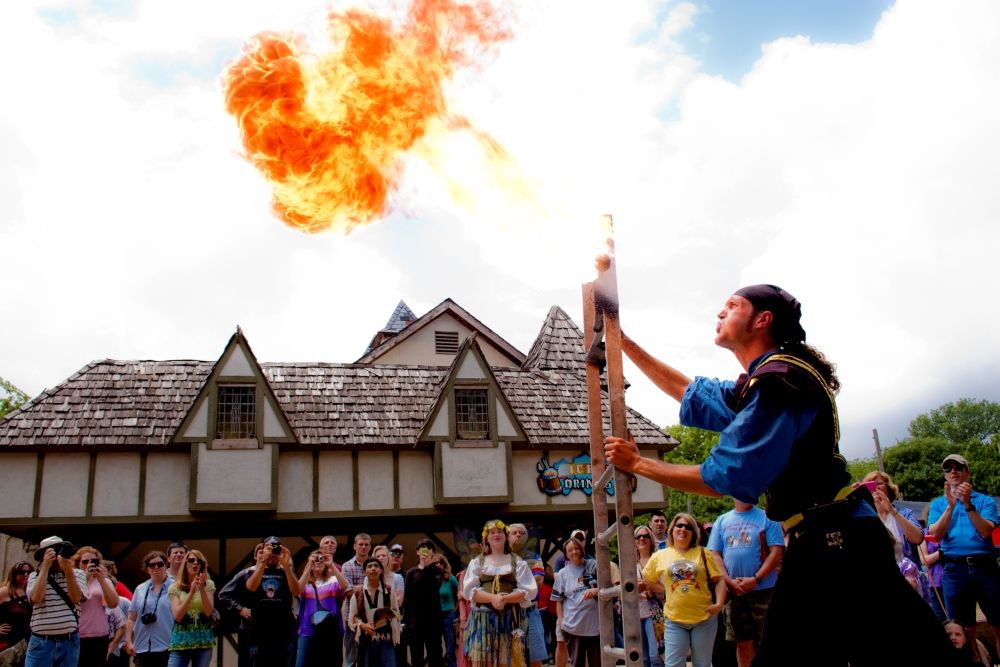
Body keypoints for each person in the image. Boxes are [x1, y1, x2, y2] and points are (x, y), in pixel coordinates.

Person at [603, 283, 958, 666]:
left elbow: (725, 475)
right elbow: (691, 392)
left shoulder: (780, 383)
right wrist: (623, 342)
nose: (720, 313)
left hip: (838, 541)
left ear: (763, 320)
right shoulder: (768, 380)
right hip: (829, 537)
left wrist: (639, 464)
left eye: (732, 306)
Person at [929, 454, 1000, 660]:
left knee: (998, 624)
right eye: (948, 468)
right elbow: (936, 534)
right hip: (954, 569)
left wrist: (968, 504)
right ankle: (974, 663)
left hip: (985, 567)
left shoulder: (984, 500)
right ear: (945, 475)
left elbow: (986, 531)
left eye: (958, 467)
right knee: (961, 629)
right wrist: (951, 506)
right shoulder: (938, 504)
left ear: (967, 472)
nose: (953, 471)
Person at [707, 500, 783, 667]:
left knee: (768, 642)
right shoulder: (722, 520)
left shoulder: (767, 517)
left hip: (765, 591)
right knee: (742, 642)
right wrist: (728, 581)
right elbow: (714, 554)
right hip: (734, 593)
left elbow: (776, 552)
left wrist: (756, 579)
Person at [642, 513, 724, 667]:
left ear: (694, 533)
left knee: (703, 664)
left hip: (704, 618)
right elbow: (647, 579)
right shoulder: (659, 556)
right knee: (673, 664)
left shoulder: (703, 553)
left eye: (688, 527)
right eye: (679, 525)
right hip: (675, 620)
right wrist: (665, 589)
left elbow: (718, 580)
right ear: (672, 530)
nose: (683, 529)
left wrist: (719, 603)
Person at [463, 520, 537, 667]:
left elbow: (528, 591)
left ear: (505, 536)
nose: (496, 534)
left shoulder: (518, 562)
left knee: (507, 662)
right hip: (482, 618)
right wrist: (493, 598)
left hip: (509, 618)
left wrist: (506, 599)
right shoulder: (477, 562)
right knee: (482, 662)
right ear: (486, 538)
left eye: (500, 532)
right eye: (492, 532)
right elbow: (469, 591)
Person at [25, 536, 88, 667]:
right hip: (41, 642)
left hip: (69, 641)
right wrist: (45, 567)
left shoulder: (78, 574)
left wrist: (68, 570)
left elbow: (76, 598)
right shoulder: (34, 576)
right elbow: (36, 598)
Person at [239, 536, 299, 667]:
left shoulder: (285, 572)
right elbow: (251, 587)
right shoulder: (254, 571)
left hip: (283, 634)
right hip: (259, 634)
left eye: (275, 549)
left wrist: (286, 565)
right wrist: (263, 561)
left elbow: (296, 591)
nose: (273, 553)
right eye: (269, 548)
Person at [551, 536, 599, 667]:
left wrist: (596, 590)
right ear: (566, 554)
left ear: (582, 549)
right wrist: (561, 621)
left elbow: (608, 587)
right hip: (573, 627)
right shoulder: (562, 573)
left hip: (596, 626)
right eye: (570, 550)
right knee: (577, 663)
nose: (574, 552)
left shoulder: (594, 566)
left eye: (576, 548)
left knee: (597, 663)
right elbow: (558, 600)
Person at [862, 470, 924, 564]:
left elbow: (918, 539)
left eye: (879, 483)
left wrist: (892, 511)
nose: (875, 488)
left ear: (888, 489)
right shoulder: (864, 518)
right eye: (870, 485)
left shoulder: (905, 513)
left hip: (907, 574)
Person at [74, 545, 122, 666]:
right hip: (77, 635)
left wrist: (101, 579)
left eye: (93, 562)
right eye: (85, 562)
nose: (89, 564)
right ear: (78, 563)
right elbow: (74, 599)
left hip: (100, 636)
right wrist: (85, 577)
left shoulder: (104, 581)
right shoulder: (73, 581)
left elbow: (114, 603)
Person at [295, 549, 344, 667]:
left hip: (330, 630)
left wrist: (332, 565)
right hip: (307, 629)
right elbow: (298, 590)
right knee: (301, 663)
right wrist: (308, 567)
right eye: (315, 559)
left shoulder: (332, 580)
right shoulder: (305, 582)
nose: (318, 561)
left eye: (321, 559)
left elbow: (344, 586)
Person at [125, 551, 175, 667]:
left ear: (166, 566)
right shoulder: (140, 589)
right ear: (147, 569)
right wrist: (128, 641)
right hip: (142, 647)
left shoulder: (175, 587)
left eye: (160, 564)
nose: (156, 567)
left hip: (168, 647)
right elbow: (131, 618)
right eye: (152, 565)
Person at [167, 549, 215, 667]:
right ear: (185, 564)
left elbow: (209, 612)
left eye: (199, 561)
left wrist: (201, 589)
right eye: (191, 560)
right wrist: (192, 592)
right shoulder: (175, 587)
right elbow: (177, 616)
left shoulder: (208, 584)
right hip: (181, 640)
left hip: (203, 639)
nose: (195, 563)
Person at [348, 558, 400, 667]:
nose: (373, 569)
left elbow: (397, 613)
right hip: (365, 639)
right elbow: (352, 617)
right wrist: (362, 625)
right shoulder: (357, 593)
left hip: (385, 638)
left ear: (381, 570)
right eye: (369, 566)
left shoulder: (389, 591)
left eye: (376, 566)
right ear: (364, 572)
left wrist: (389, 618)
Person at [508, 523, 547, 667]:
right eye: (514, 532)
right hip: (507, 614)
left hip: (530, 612)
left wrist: (511, 590)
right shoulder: (501, 558)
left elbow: (537, 583)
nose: (518, 535)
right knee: (508, 658)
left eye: (522, 533)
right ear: (507, 536)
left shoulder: (535, 558)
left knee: (535, 657)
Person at [403, 538, 445, 667]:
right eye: (422, 548)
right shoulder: (411, 573)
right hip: (416, 621)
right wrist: (406, 621)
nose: (425, 551)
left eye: (429, 548)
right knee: (416, 657)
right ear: (417, 552)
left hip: (433, 621)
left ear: (432, 552)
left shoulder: (438, 571)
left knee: (435, 656)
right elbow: (408, 598)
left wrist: (427, 567)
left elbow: (435, 587)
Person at [634, 526, 664, 667]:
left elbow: (665, 589)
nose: (642, 539)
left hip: (655, 613)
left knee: (655, 657)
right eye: (638, 536)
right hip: (635, 613)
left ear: (651, 540)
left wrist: (647, 585)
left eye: (645, 536)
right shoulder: (629, 564)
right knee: (644, 659)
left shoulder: (658, 560)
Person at [343, 534, 373, 667]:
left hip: (371, 617)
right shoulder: (347, 566)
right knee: (350, 657)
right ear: (355, 546)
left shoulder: (374, 565)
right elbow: (349, 593)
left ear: (370, 547)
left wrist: (358, 589)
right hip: (352, 617)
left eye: (366, 545)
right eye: (361, 544)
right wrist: (367, 588)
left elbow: (378, 589)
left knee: (369, 657)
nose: (364, 547)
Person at [0, 561, 33, 653]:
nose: (26, 574)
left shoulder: (31, 591)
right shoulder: (5, 591)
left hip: (29, 642)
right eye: (22, 572)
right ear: (14, 574)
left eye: (29, 572)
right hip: (8, 644)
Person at [434, 554, 460, 667]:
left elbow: (458, 597)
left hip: (449, 615)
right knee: (435, 647)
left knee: (450, 647)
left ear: (445, 564)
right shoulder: (431, 579)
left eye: (441, 562)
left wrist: (453, 609)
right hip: (434, 616)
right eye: (436, 563)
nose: (438, 564)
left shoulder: (451, 579)